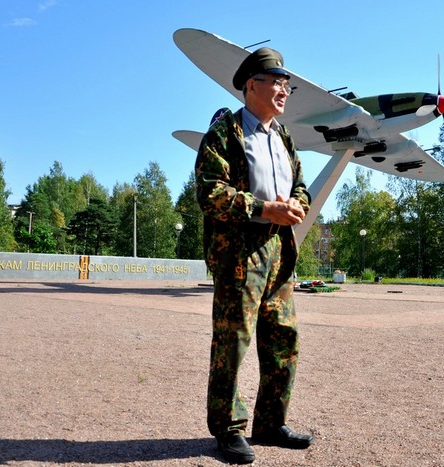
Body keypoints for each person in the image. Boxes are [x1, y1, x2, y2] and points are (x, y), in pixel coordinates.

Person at [195, 47, 313, 464]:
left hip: (280, 253)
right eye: (278, 82)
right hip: (240, 255)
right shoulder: (225, 133)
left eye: (287, 84)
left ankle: (269, 422)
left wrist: (296, 203)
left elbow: (301, 184)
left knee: (284, 338)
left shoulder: (282, 136)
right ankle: (227, 429)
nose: (285, 90)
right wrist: (265, 209)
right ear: (252, 86)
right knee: (233, 342)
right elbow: (209, 192)